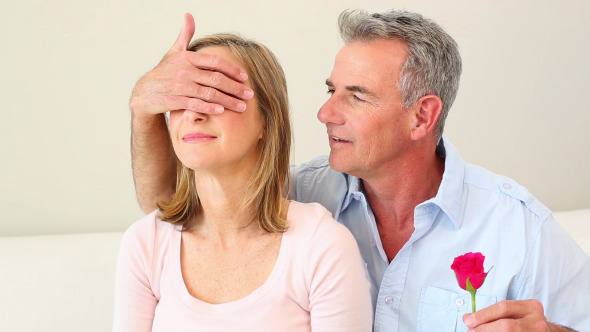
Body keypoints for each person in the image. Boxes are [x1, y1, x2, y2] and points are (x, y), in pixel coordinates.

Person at [128, 9, 590, 332]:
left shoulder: (519, 228)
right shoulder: (300, 197)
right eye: (331, 90)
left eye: (356, 96)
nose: (325, 112)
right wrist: (143, 109)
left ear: (422, 117)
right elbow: (173, 216)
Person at [115, 20, 372, 331]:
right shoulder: (145, 243)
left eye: (216, 94)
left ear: (266, 121)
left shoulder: (322, 245)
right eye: (181, 98)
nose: (194, 112)